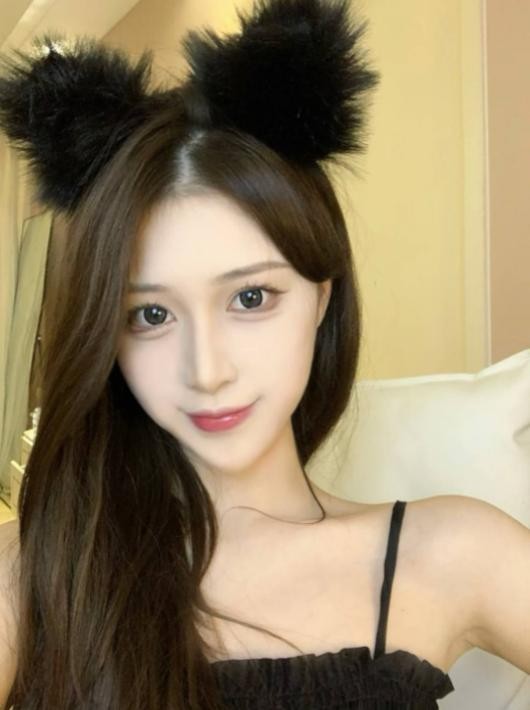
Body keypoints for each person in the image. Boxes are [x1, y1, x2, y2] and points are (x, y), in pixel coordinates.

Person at [0, 0, 528, 707]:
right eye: (151, 315)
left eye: (250, 298)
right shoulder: (36, 573)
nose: (207, 370)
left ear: (322, 296)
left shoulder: (451, 553)